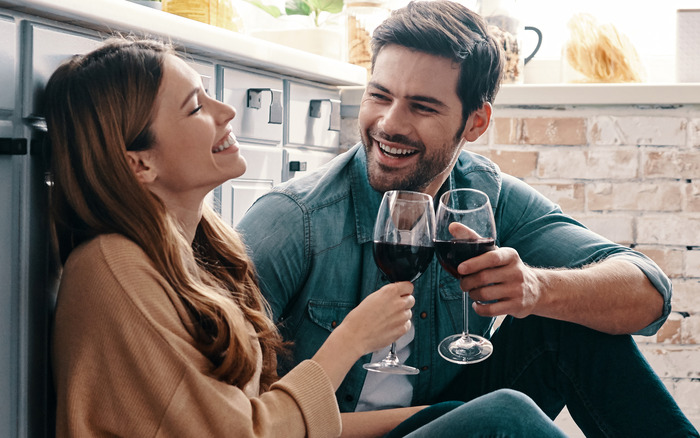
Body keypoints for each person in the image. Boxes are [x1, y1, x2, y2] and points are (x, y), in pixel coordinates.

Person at [238, 1, 700, 437]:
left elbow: (649, 295)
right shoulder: (292, 221)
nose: (389, 124)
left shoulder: (483, 196)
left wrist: (537, 290)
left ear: (476, 123)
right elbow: (223, 418)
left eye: (422, 106)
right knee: (506, 413)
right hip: (325, 430)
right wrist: (446, 415)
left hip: (442, 418)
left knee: (566, 322)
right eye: (379, 96)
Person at [46, 38, 418, 437]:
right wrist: (351, 339)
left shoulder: (201, 250)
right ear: (140, 163)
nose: (227, 111)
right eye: (195, 107)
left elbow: (256, 416)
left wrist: (434, 416)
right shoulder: (113, 267)